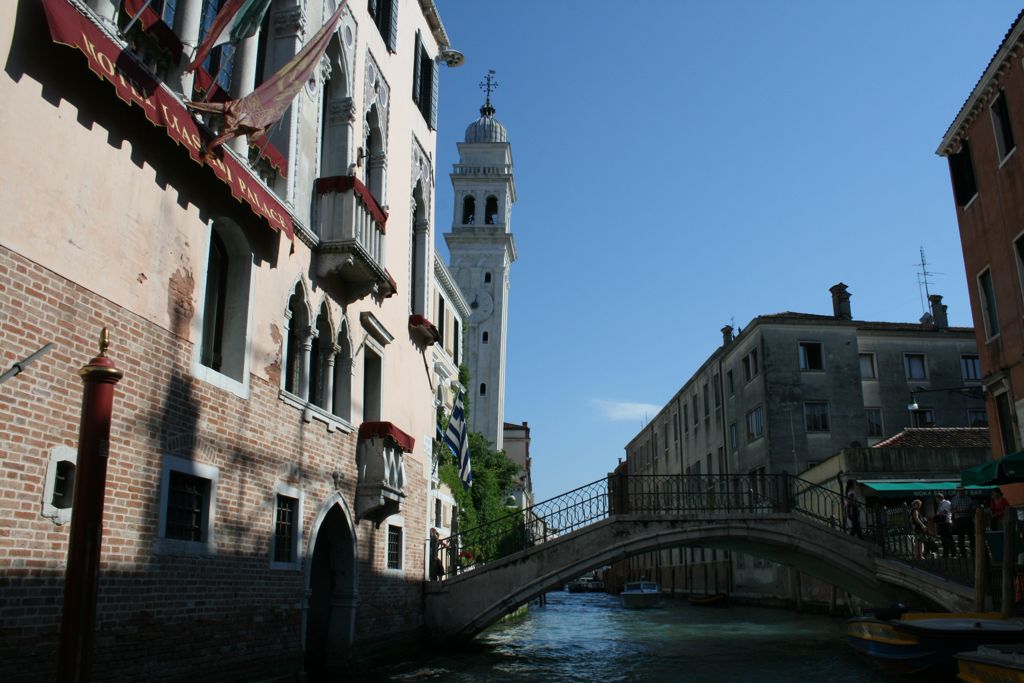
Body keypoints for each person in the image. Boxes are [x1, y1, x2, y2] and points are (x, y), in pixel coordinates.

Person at [950, 486, 977, 558]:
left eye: (962, 490)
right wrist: (953, 519)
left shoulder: (968, 498)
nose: (961, 492)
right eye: (960, 491)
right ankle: (963, 553)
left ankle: (974, 553)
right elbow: (952, 510)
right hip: (958, 520)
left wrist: (963, 511)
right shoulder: (954, 499)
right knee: (960, 537)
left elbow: (973, 509)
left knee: (971, 536)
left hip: (967, 519)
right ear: (957, 491)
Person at [934, 493, 954, 558]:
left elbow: (945, 511)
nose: (936, 500)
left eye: (936, 498)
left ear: (939, 498)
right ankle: (946, 553)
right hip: (942, 523)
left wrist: (939, 514)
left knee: (949, 538)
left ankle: (954, 553)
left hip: (947, 523)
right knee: (943, 539)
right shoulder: (940, 504)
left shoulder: (946, 502)